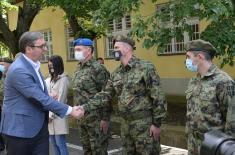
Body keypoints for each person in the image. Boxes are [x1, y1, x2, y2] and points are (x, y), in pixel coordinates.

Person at [77, 35, 167, 155]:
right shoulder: (116, 74)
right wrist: (84, 107)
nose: (113, 50)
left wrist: (157, 124)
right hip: (125, 125)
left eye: (116, 47)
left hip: (144, 125)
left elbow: (158, 97)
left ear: (127, 49)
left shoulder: (145, 67)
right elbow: (105, 95)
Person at [0, 31, 82, 155]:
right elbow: (38, 98)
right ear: (28, 48)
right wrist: (70, 110)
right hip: (20, 131)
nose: (45, 49)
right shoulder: (19, 69)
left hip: (38, 128)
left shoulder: (33, 65)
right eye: (41, 46)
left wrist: (47, 95)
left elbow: (33, 92)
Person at [184, 39, 235, 155]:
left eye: (188, 56)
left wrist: (228, 149)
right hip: (193, 145)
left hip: (214, 147)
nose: (186, 61)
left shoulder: (223, 81)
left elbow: (232, 122)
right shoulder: (194, 80)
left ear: (200, 57)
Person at [72, 38, 110, 155]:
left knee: (99, 151)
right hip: (82, 118)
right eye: (75, 50)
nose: (75, 52)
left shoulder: (98, 69)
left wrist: (105, 119)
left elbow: (107, 94)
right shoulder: (79, 68)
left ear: (88, 51)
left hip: (96, 119)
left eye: (78, 49)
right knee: (87, 150)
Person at [45, 55, 70, 155]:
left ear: (57, 65)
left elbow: (61, 100)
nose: (50, 68)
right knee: (53, 144)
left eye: (52, 65)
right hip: (50, 116)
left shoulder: (63, 79)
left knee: (60, 143)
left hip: (58, 116)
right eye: (49, 66)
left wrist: (50, 115)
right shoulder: (50, 79)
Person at [0, 57, 13, 151]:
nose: (1, 66)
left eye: (3, 64)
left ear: (9, 64)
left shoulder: (12, 75)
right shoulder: (3, 76)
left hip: (12, 109)